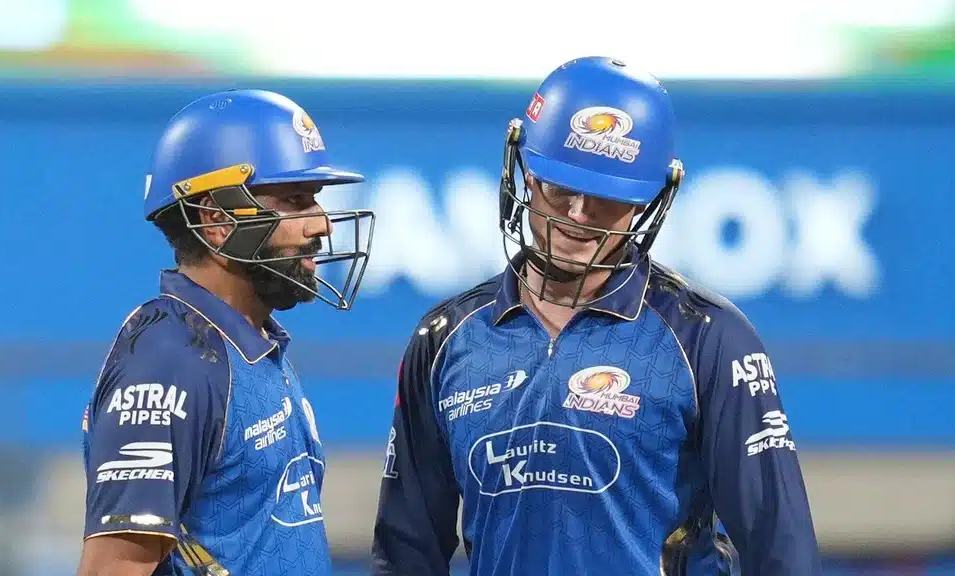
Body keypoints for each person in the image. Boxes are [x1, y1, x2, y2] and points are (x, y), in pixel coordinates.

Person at [371, 57, 822, 575]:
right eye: (561, 188)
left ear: (648, 200)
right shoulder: (444, 340)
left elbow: (782, 547)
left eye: (607, 198)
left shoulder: (709, 338)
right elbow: (405, 553)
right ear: (526, 172)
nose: (578, 215)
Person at [76, 89, 375, 576]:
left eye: (316, 200)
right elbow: (113, 567)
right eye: (296, 201)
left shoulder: (246, 345)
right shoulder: (170, 360)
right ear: (217, 221)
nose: (321, 223)